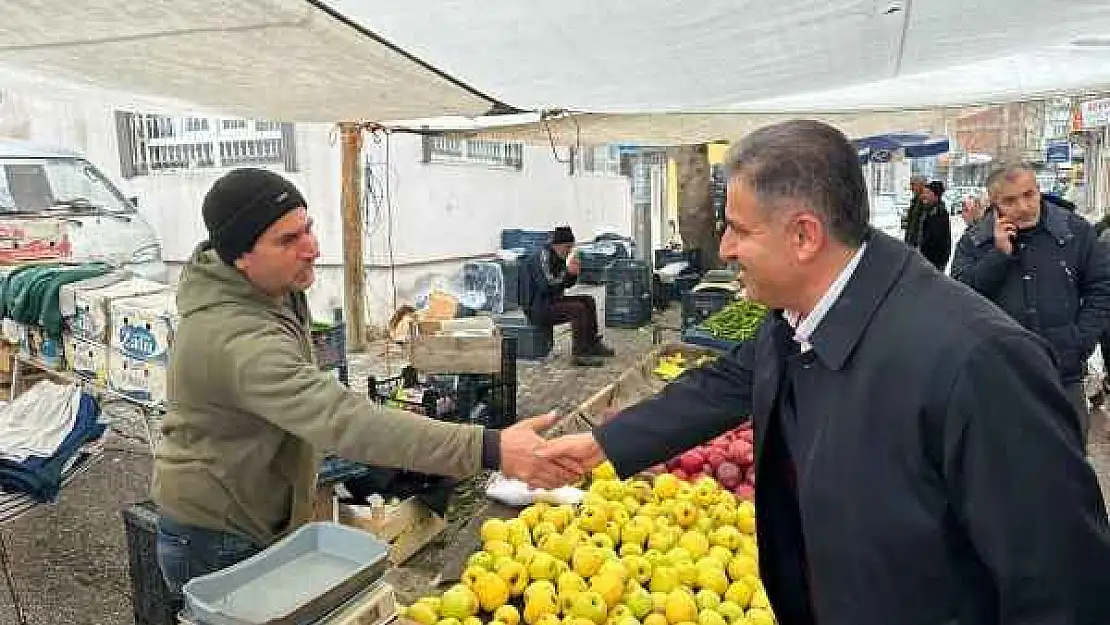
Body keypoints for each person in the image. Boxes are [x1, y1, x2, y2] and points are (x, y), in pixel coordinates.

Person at [539, 121, 1110, 625]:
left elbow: (1062, 586)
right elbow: (728, 381)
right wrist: (601, 445)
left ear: (805, 235)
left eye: (738, 228)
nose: (725, 248)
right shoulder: (799, 316)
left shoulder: (978, 361)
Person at [152, 169, 583, 596]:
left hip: (260, 506)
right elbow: (341, 419)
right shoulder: (234, 338)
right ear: (241, 257)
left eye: (308, 229)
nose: (313, 248)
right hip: (219, 534)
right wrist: (492, 447)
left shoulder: (271, 287)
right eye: (288, 240)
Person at [951, 163, 1110, 448]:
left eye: (1029, 194)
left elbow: (1101, 290)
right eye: (1010, 201)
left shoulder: (1075, 232)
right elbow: (960, 299)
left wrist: (1080, 341)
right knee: (1008, 469)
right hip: (1002, 378)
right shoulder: (976, 241)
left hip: (1064, 374)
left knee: (1069, 469)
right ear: (994, 203)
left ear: (1039, 191)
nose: (1023, 207)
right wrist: (999, 257)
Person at [520, 226, 614, 366]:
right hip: (536, 307)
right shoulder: (542, 257)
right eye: (567, 247)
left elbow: (564, 284)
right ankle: (580, 353)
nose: (569, 251)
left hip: (550, 301)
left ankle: (592, 344)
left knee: (588, 300)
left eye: (571, 247)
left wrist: (572, 274)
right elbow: (547, 285)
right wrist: (568, 274)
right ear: (557, 245)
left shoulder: (558, 256)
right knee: (577, 309)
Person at [916, 180, 952, 271]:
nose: (925, 196)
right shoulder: (927, 210)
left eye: (928, 193)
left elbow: (937, 240)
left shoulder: (940, 213)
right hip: (925, 259)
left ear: (936, 195)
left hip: (934, 262)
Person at [901, 174, 927, 246]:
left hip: (918, 243)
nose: (911, 188)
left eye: (913, 185)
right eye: (911, 185)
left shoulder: (925, 202)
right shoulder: (915, 201)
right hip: (911, 241)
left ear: (922, 185)